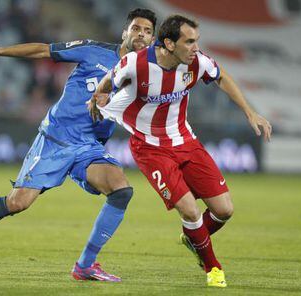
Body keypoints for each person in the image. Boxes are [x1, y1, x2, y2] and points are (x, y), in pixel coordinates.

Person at [0, 8, 157, 282]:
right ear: (125, 32)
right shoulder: (92, 50)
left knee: (121, 190)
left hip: (88, 147)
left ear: (152, 39)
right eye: (136, 28)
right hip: (56, 138)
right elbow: (44, 50)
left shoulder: (145, 74)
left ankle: (85, 265)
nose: (141, 35)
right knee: (18, 203)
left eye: (148, 31)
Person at [89, 14, 272, 287]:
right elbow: (109, 78)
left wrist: (250, 112)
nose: (196, 48)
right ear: (169, 44)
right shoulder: (136, 64)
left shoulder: (197, 62)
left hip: (186, 142)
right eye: (189, 42)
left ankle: (193, 239)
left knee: (224, 210)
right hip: (150, 148)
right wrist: (98, 96)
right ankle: (213, 268)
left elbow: (222, 77)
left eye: (197, 41)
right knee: (189, 211)